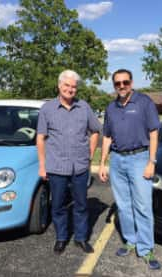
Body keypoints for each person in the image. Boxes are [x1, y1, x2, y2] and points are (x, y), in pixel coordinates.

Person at [99, 69, 161, 270]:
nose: (122, 86)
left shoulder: (144, 102)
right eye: (118, 83)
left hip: (139, 158)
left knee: (142, 206)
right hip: (117, 160)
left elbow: (153, 133)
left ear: (131, 82)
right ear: (114, 85)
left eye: (125, 82)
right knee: (124, 206)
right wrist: (103, 163)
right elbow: (107, 137)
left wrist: (151, 161)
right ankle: (130, 240)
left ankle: (146, 248)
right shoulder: (111, 107)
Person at [37, 69, 101, 255]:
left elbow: (95, 130)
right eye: (67, 85)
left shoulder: (84, 107)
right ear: (59, 86)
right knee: (58, 206)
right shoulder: (47, 109)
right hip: (56, 167)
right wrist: (42, 166)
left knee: (81, 205)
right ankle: (61, 238)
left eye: (73, 86)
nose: (70, 89)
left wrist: (88, 155)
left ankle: (81, 238)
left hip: (80, 167)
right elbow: (41, 138)